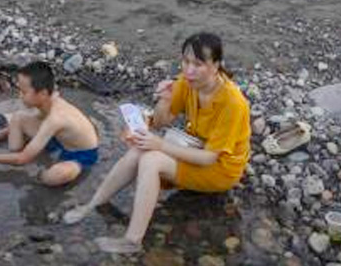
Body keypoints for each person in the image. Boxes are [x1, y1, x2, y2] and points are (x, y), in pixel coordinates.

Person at [62, 32, 250, 254]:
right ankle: (93, 203)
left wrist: (159, 145)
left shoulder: (233, 103)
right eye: (186, 61)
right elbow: (161, 122)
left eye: (198, 64)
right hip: (195, 148)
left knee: (151, 159)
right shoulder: (187, 82)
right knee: (139, 150)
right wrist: (165, 99)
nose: (189, 70)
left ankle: (132, 240)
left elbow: (210, 157)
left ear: (216, 65)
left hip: (220, 169)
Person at [0, 61, 100, 187]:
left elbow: (22, 159)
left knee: (56, 176)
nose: (19, 96)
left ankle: (36, 176)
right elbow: (36, 122)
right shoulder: (48, 101)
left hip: (80, 154)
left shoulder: (56, 118)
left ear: (43, 93)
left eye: (24, 92)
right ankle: (21, 152)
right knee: (18, 117)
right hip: (58, 139)